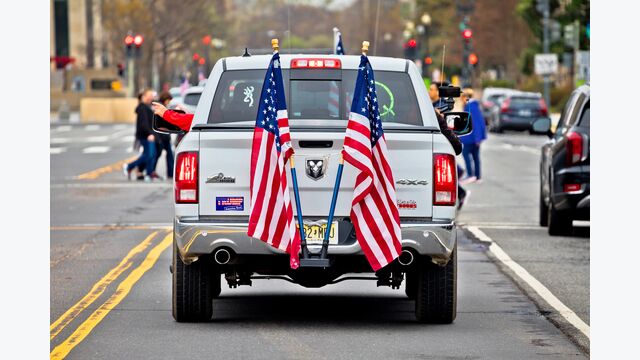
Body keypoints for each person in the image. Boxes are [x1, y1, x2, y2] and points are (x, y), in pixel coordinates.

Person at [430, 81, 468, 209]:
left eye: (432, 89)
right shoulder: (429, 109)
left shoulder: (432, 107)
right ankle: (461, 190)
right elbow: (457, 147)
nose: (429, 92)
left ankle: (461, 191)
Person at [124, 89, 160, 181]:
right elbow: (144, 124)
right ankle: (130, 166)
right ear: (143, 96)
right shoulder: (142, 108)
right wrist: (149, 134)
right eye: (149, 95)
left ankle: (145, 172)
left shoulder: (146, 106)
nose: (151, 97)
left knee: (151, 154)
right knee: (149, 154)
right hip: (146, 135)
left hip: (148, 134)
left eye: (152, 95)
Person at [459, 88, 487, 185]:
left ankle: (471, 175)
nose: (460, 99)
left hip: (470, 138)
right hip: (473, 138)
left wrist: (477, 138)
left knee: (467, 155)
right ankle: (477, 176)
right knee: (475, 157)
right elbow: (480, 123)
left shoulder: (470, 107)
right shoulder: (474, 106)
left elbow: (476, 123)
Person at [151, 91, 176, 180]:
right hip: (161, 136)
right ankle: (153, 171)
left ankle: (168, 172)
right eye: (168, 100)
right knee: (159, 154)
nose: (169, 102)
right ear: (165, 99)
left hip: (163, 136)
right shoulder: (161, 108)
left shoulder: (162, 107)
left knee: (165, 154)